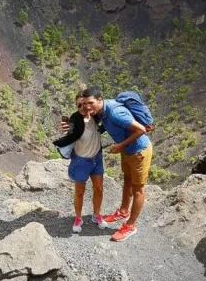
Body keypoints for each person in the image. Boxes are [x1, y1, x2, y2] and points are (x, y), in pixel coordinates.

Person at [77, 86, 153, 242]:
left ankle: (131, 225)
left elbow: (141, 130)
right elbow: (106, 124)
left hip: (139, 150)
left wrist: (120, 146)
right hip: (128, 150)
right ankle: (124, 211)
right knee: (127, 180)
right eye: (84, 104)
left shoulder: (116, 112)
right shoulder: (102, 111)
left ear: (100, 99)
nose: (87, 107)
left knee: (138, 188)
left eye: (90, 103)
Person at [53, 91, 107, 233]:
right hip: (81, 161)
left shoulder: (95, 116)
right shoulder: (75, 119)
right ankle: (78, 217)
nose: (84, 107)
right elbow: (69, 130)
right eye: (80, 105)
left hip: (97, 158)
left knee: (99, 188)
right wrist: (63, 131)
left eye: (86, 103)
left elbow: (104, 123)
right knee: (79, 192)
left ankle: (96, 215)